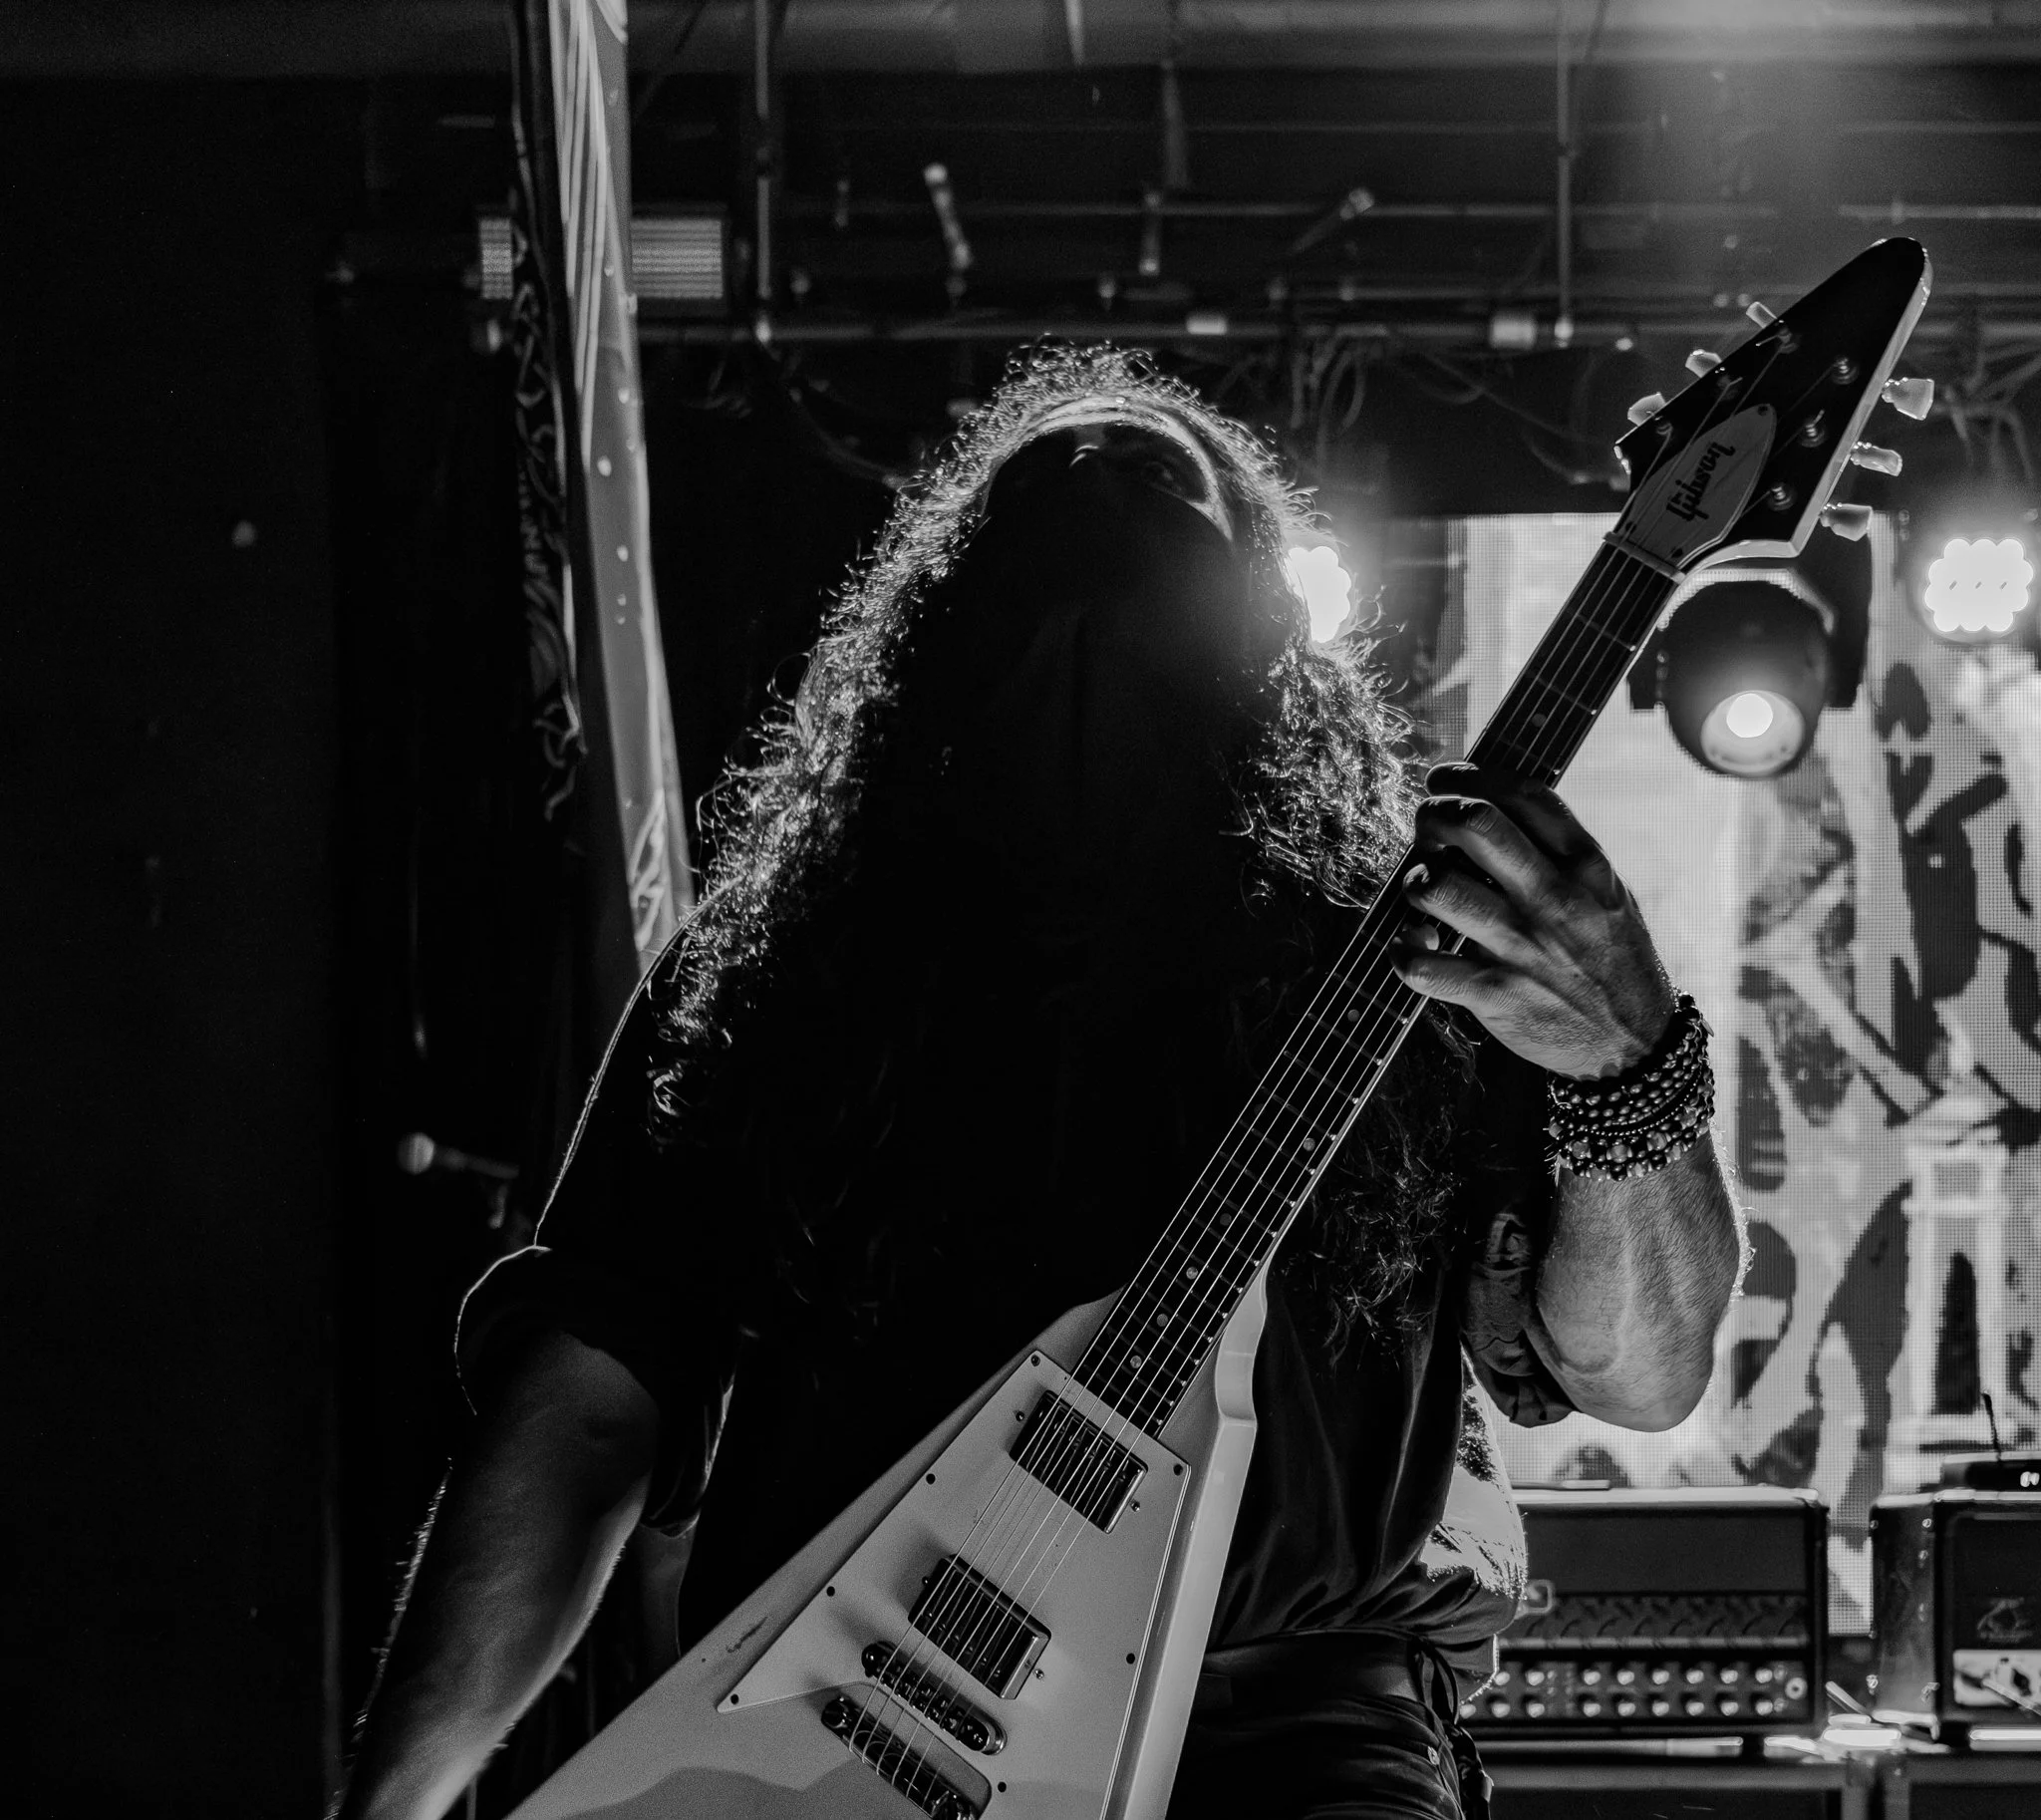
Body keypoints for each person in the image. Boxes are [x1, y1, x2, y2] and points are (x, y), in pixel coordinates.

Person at [335, 348, 1743, 1820]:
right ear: (938, 625)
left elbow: (1638, 1374)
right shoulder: (772, 968)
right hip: (853, 1744)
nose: (1101, 582)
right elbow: (583, 1416)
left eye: (1167, 516)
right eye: (1051, 531)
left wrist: (1628, 1059)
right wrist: (387, 1807)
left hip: (1294, 1739)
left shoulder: (1413, 969)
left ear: (1270, 631)